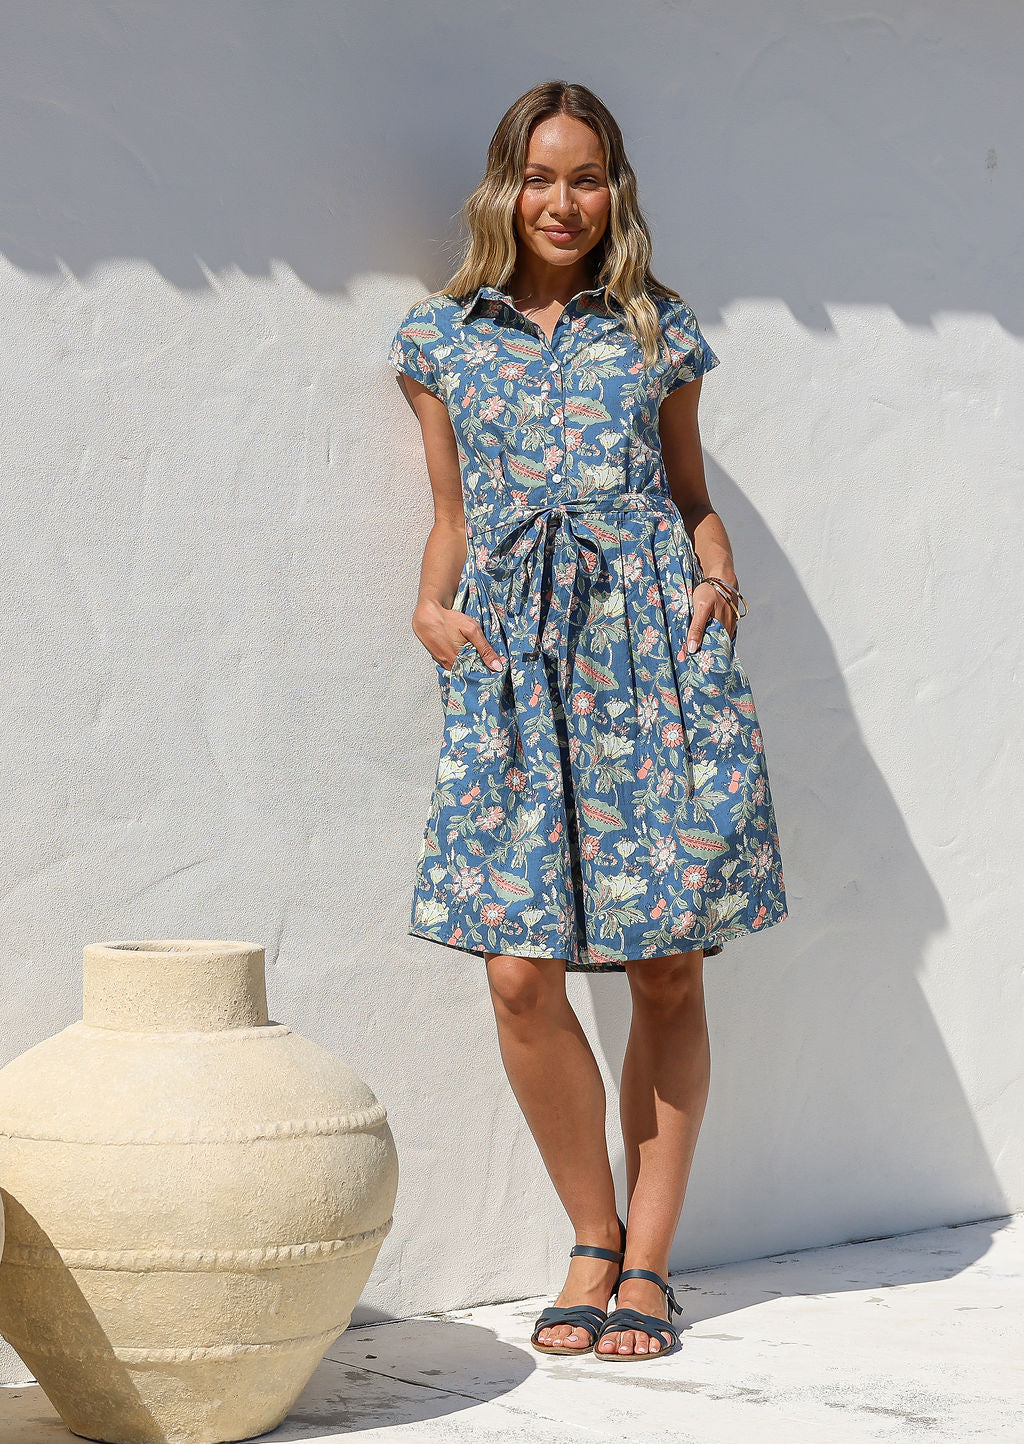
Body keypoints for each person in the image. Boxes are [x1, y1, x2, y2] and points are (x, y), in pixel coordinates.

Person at [387, 80, 788, 1362]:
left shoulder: (656, 330)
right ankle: (590, 1237)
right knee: (518, 969)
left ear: (616, 190)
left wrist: (716, 584)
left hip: (652, 657)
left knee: (666, 960)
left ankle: (650, 1264)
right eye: (541, 176)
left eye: (587, 176)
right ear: (504, 187)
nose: (563, 202)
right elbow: (451, 512)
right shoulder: (440, 340)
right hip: (516, 661)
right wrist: (430, 609)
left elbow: (691, 495)